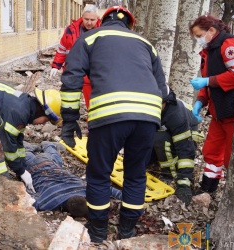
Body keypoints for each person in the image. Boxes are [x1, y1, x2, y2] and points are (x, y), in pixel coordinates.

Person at [60, 5, 169, 243]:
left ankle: (98, 232)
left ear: (102, 21)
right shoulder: (146, 43)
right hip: (147, 115)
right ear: (130, 24)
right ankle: (127, 232)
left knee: (99, 174)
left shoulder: (90, 37)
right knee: (136, 174)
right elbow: (163, 89)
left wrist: (69, 120)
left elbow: (72, 79)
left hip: (109, 115)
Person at [189, 15, 234, 195]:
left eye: (199, 35)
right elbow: (208, 83)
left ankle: (233, 193)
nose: (198, 40)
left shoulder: (229, 45)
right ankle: (208, 188)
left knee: (231, 156)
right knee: (211, 150)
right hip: (219, 111)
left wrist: (207, 81)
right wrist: (200, 102)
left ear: (211, 30)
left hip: (233, 110)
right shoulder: (209, 50)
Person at [23, 141, 122, 218]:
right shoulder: (47, 202)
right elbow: (29, 198)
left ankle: (48, 145)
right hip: (32, 168)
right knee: (24, 153)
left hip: (53, 164)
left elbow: (109, 190)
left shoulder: (85, 190)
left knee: (53, 155)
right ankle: (30, 148)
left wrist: (126, 197)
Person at [151, 89, 204, 206]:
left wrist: (184, 182)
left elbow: (186, 149)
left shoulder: (175, 114)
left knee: (160, 139)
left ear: (165, 102)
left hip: (187, 131)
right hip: (167, 130)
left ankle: (169, 175)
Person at [50, 4, 101, 109]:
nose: (89, 22)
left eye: (92, 20)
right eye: (86, 19)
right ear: (82, 17)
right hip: (72, 69)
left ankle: (91, 121)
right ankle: (69, 120)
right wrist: (56, 66)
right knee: (69, 98)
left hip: (92, 72)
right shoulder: (71, 29)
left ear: (97, 19)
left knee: (93, 101)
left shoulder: (103, 31)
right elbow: (62, 49)